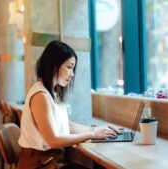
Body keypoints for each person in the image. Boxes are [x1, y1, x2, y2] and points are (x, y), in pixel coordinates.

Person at [17, 40, 121, 169]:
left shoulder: (51, 92)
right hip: (39, 164)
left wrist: (98, 130)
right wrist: (92, 135)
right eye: (69, 67)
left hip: (50, 160)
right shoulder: (40, 95)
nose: (72, 74)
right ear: (55, 65)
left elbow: (69, 126)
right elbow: (54, 140)